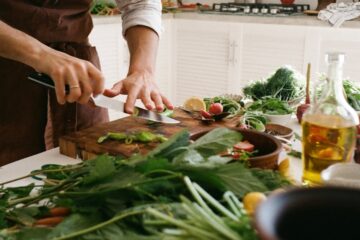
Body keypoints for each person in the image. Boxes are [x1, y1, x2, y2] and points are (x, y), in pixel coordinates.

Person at [0, 0, 173, 166]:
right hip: (7, 79)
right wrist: (39, 54)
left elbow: (141, 3)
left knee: (92, 166)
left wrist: (143, 70)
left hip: (82, 82)